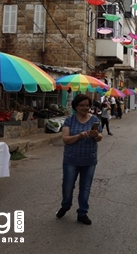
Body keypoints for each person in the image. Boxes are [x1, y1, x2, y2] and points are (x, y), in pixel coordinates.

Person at [56, 94, 102, 225]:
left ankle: (82, 212)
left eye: (87, 105)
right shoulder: (69, 120)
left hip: (89, 160)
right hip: (71, 160)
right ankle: (65, 205)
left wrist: (95, 135)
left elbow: (100, 137)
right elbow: (65, 139)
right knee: (68, 186)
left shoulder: (94, 120)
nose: (85, 108)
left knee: (85, 188)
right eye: (82, 105)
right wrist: (79, 136)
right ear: (75, 106)